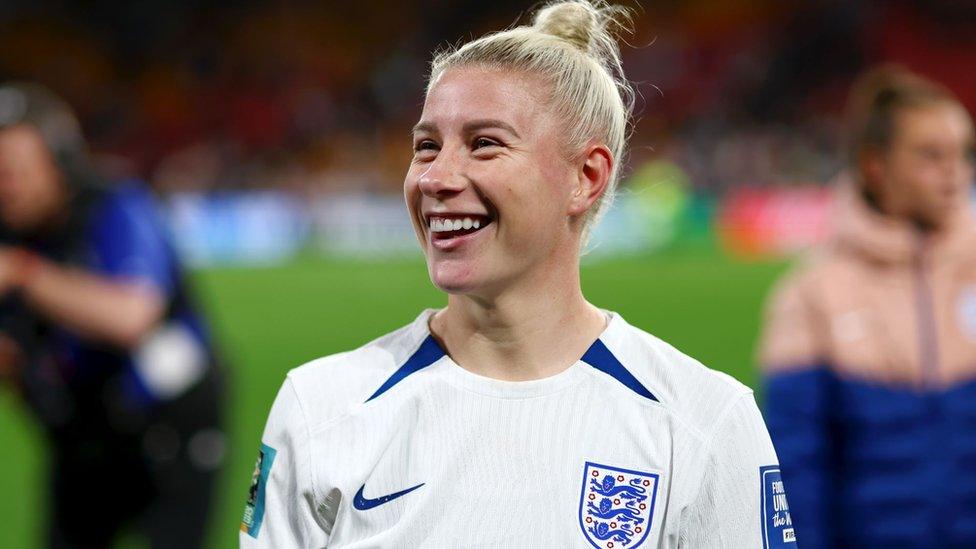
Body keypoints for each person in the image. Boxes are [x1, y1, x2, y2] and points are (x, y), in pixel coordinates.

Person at [244, 1, 794, 547]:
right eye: (426, 146)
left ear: (586, 176)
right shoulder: (321, 410)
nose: (437, 177)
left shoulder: (704, 424)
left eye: (485, 144)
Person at [0, 83, 225, 548]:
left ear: (60, 163)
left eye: (15, 172)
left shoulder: (116, 207)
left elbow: (131, 315)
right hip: (80, 435)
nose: (6, 188)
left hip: (169, 431)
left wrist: (25, 276)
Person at [759, 65, 976, 547]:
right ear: (875, 166)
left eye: (963, 154)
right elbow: (797, 467)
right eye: (930, 156)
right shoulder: (813, 294)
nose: (954, 173)